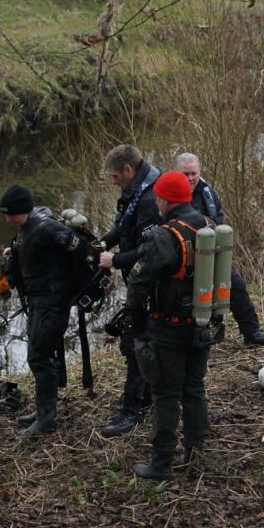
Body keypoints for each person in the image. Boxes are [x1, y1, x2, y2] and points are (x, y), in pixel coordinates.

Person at [123, 171, 214, 480]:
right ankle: (195, 455)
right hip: (202, 323)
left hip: (169, 327)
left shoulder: (163, 235)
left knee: (165, 394)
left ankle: (161, 463)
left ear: (163, 199)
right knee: (195, 388)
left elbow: (138, 282)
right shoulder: (208, 226)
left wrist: (133, 318)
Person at [0, 185, 92, 434]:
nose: (7, 218)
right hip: (39, 301)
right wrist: (14, 254)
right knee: (39, 354)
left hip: (52, 302)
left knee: (39, 357)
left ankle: (46, 419)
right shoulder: (27, 229)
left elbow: (80, 248)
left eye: (9, 213)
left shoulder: (48, 228)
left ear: (21, 210)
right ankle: (43, 411)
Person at [173, 153, 264, 346]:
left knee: (235, 284)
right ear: (176, 172)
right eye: (185, 174)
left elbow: (219, 219)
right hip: (180, 258)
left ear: (199, 172)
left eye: (193, 173)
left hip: (211, 253)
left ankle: (252, 333)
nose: (190, 178)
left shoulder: (207, 192)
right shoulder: (169, 193)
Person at [96, 144, 160, 437]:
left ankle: (132, 410)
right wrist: (106, 242)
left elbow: (149, 250)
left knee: (137, 345)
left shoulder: (149, 199)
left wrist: (115, 260)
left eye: (114, 176)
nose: (113, 182)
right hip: (137, 279)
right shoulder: (135, 191)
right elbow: (124, 227)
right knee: (137, 341)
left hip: (149, 282)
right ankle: (146, 396)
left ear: (128, 170)